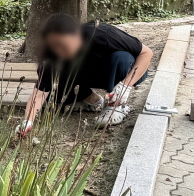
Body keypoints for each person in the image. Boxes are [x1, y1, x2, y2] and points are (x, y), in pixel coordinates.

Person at [18, 14, 153, 135]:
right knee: (53, 97)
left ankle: (115, 106)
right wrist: (27, 121)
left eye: (63, 45)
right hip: (90, 75)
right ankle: (88, 97)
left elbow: (146, 53)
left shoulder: (102, 34)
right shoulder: (52, 55)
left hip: (127, 71)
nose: (58, 51)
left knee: (122, 57)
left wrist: (125, 86)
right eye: (54, 46)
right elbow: (40, 93)